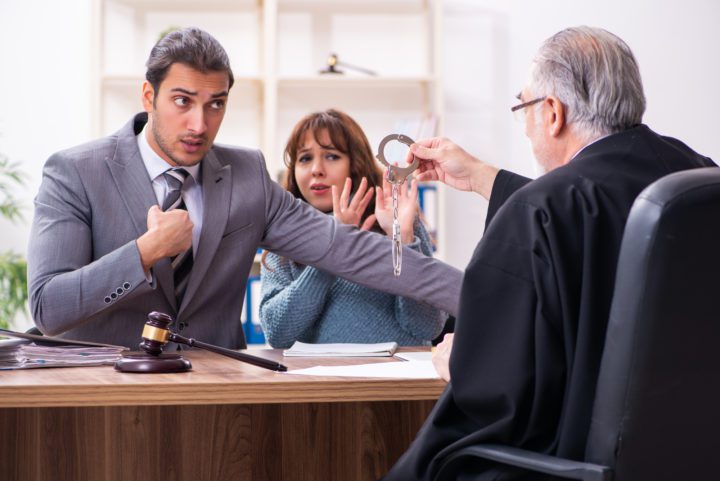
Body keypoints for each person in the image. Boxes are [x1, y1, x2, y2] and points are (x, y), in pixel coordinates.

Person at [381, 26, 716, 480]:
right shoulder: (699, 179)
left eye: (523, 107)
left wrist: (458, 361)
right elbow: (602, 214)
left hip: (572, 461)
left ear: (552, 113)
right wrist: (483, 176)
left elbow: (498, 394)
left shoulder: (539, 211)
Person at [26, 27, 462, 350]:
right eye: (183, 101)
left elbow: (347, 249)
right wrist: (144, 252)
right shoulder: (75, 172)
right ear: (148, 95)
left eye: (216, 104)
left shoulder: (247, 173)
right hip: (103, 398)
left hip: (221, 399)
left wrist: (486, 293)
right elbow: (48, 308)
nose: (200, 124)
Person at [259, 109, 445, 348]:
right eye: (305, 158)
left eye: (332, 156)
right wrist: (333, 250)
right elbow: (277, 335)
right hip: (320, 383)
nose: (316, 169)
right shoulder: (283, 239)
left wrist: (403, 238)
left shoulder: (395, 220)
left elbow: (427, 326)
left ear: (355, 164)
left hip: (397, 381)